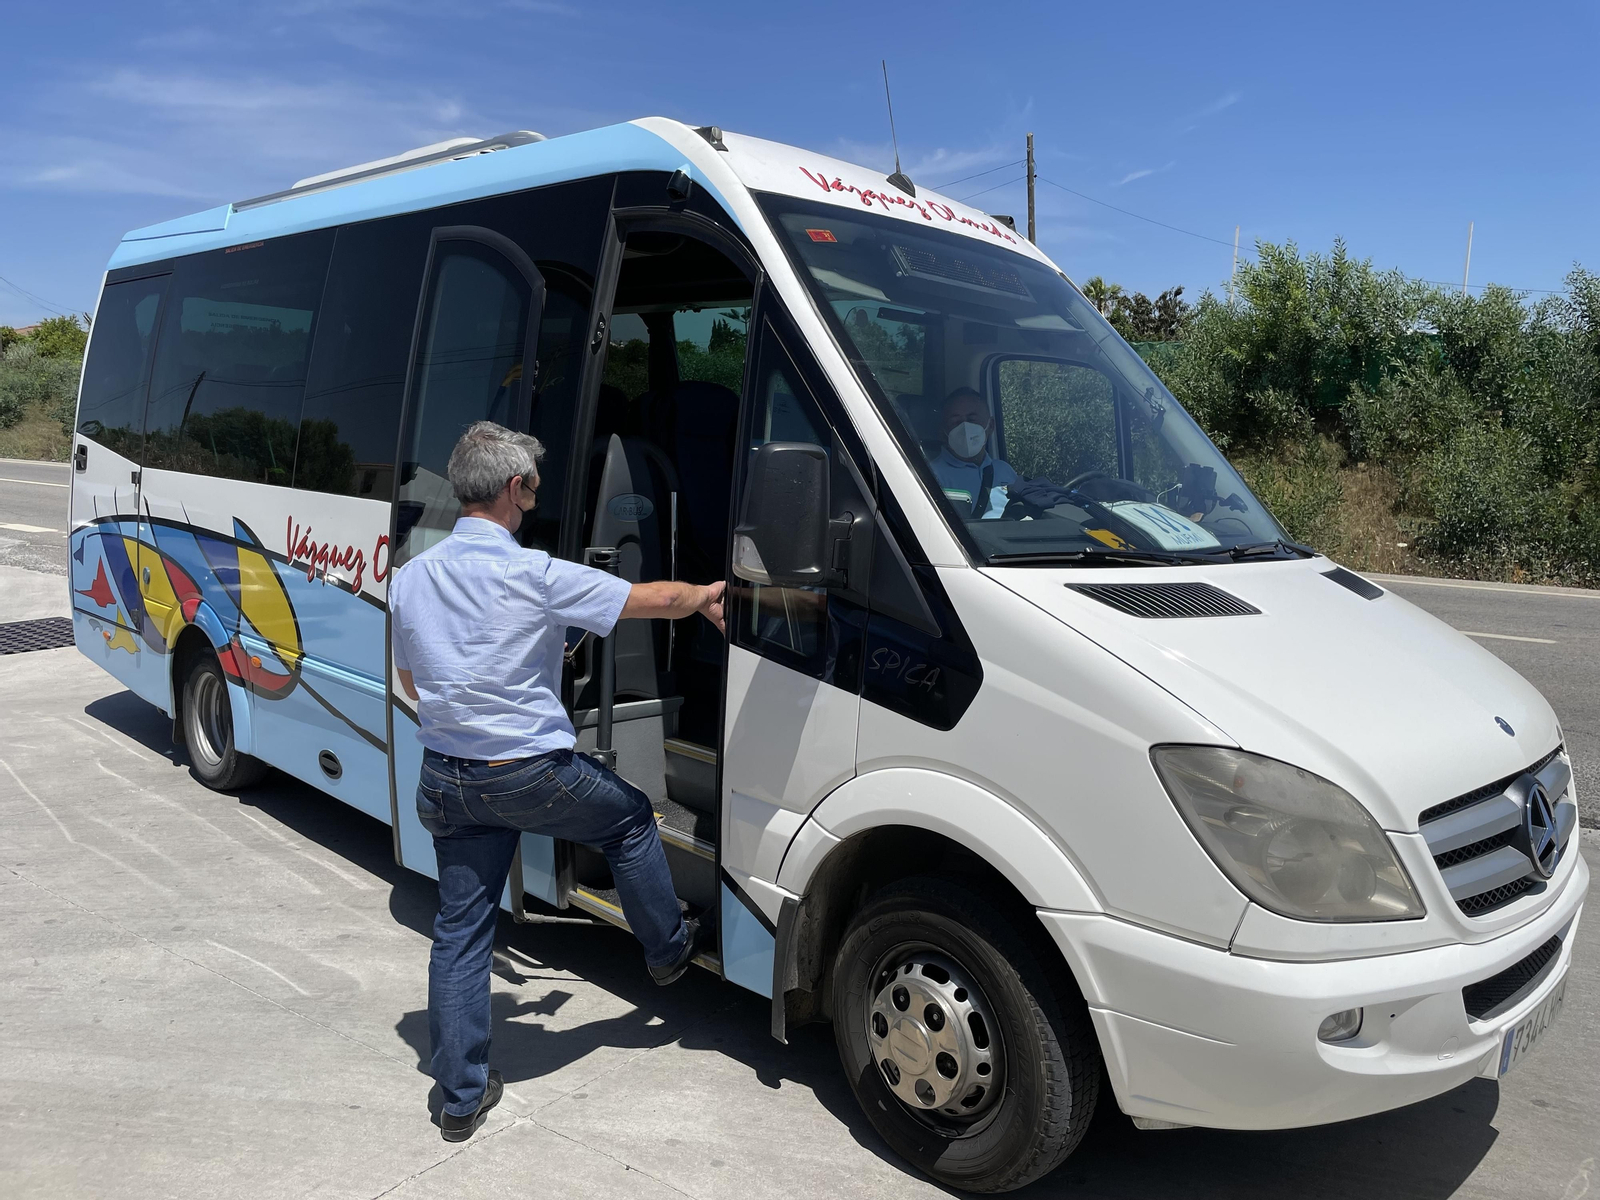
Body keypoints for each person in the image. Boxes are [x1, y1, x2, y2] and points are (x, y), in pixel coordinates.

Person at [389, 420, 724, 1143]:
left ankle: (459, 1098)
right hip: (527, 771)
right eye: (534, 487)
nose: (536, 499)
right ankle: (667, 952)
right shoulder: (533, 573)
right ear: (514, 488)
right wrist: (703, 595)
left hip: (446, 776)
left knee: (461, 931)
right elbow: (651, 600)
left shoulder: (411, 577)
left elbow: (411, 682)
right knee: (630, 818)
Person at [927, 387, 1021, 519]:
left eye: (972, 420)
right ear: (943, 431)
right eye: (955, 421)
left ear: (991, 426)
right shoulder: (931, 475)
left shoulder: (1004, 470)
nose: (965, 427)